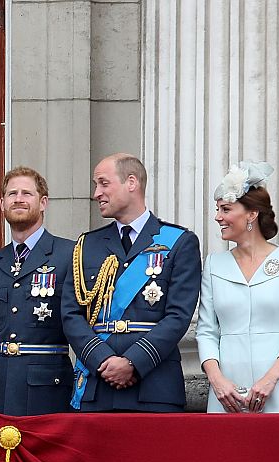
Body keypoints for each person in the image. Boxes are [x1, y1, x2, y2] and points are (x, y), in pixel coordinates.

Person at [61, 153, 202, 412]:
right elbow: (71, 314)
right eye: (96, 185)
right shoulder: (87, 245)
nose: (96, 193)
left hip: (154, 386)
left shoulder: (179, 241)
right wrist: (102, 359)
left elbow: (178, 316)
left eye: (103, 183)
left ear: (131, 182)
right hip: (97, 384)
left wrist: (133, 362)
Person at [196, 161, 279, 413]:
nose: (218, 217)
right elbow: (206, 331)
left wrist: (270, 380)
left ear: (251, 214)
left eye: (225, 209)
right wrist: (217, 381)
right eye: (217, 210)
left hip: (277, 387)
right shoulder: (214, 264)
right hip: (226, 391)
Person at [0, 166, 74, 415]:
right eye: (12, 194)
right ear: (1, 204)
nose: (18, 199)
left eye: (26, 193)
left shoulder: (69, 255)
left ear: (43, 203)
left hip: (47, 387)